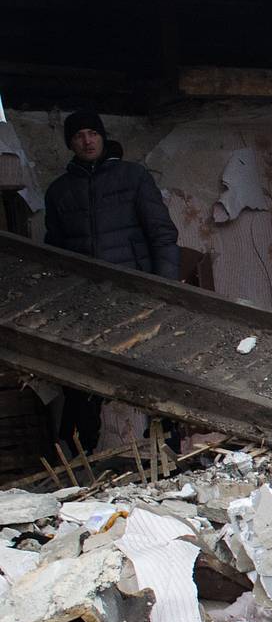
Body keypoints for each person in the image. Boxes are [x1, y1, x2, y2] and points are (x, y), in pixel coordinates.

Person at [44, 109, 181, 452]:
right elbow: (55, 250)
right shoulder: (59, 192)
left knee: (152, 373)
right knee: (85, 378)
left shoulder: (133, 176)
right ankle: (86, 452)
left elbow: (162, 234)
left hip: (136, 293)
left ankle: (169, 447)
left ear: (103, 137)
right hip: (86, 302)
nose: (87, 140)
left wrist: (163, 287)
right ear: (70, 143)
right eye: (78, 136)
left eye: (93, 133)